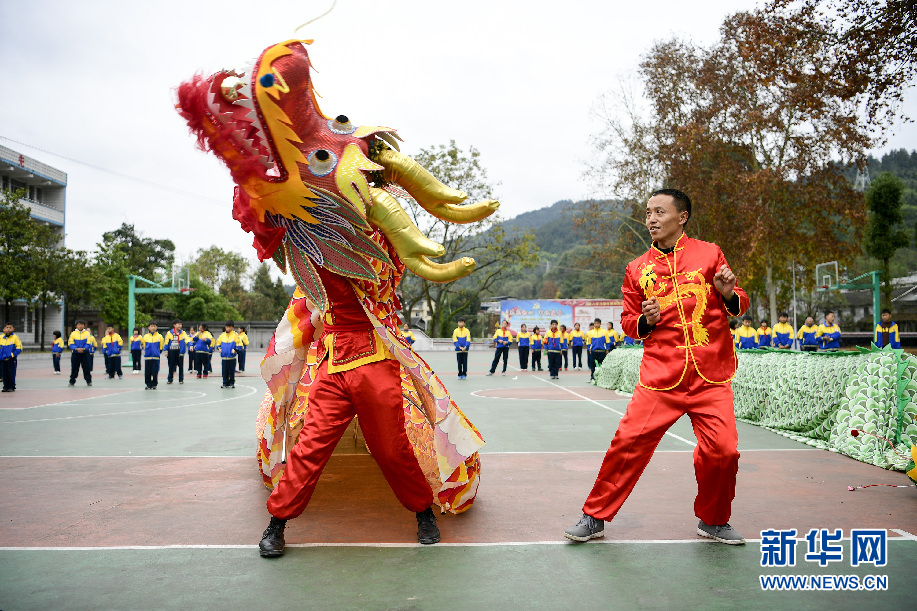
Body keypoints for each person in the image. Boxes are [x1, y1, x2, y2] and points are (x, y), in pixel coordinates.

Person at [565, 187, 748, 546]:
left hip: (710, 376)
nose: (651, 219)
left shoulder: (709, 254)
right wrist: (646, 321)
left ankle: (713, 520)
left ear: (682, 218)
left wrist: (728, 293)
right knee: (628, 442)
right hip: (660, 379)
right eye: (648, 213)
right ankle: (594, 516)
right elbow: (629, 323)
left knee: (723, 452)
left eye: (659, 212)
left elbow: (738, 303)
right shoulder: (637, 269)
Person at [215, 321, 240, 389]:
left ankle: (231, 383)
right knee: (224, 371)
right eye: (227, 327)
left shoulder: (235, 335)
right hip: (224, 358)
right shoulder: (222, 335)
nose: (227, 328)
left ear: (232, 327)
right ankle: (225, 383)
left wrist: (235, 350)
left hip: (232, 358)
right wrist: (219, 348)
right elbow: (218, 343)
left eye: (229, 327)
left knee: (231, 371)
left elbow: (239, 344)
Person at [68, 320, 92, 387]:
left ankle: (89, 381)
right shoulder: (73, 334)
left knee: (86, 368)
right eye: (79, 324)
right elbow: (70, 343)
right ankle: (72, 381)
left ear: (84, 325)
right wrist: (76, 349)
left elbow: (89, 343)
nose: (80, 326)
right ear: (76, 326)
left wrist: (84, 349)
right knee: (74, 368)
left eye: (82, 324)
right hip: (75, 353)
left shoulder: (87, 333)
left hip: (85, 354)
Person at [164, 320, 189, 385]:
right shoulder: (169, 333)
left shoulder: (183, 333)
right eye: (178, 324)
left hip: (179, 351)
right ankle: (170, 379)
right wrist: (166, 351)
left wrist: (190, 345)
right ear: (174, 325)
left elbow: (187, 340)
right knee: (171, 366)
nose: (180, 326)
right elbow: (166, 342)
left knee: (180, 366)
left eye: (181, 324)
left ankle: (181, 379)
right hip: (171, 351)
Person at [142, 322, 165, 390]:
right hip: (148, 357)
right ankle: (148, 384)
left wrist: (157, 353)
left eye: (154, 326)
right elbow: (144, 346)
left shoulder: (160, 336)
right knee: (147, 372)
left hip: (156, 358)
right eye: (151, 326)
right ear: (148, 327)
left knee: (155, 371)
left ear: (156, 327)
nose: (153, 328)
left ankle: (154, 384)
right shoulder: (145, 337)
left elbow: (161, 347)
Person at [0, 323, 22, 392]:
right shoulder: (1, 337)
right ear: (4, 329)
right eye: (7, 327)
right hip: (2, 358)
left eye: (10, 327)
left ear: (13, 329)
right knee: (4, 373)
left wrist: (13, 355)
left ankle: (11, 386)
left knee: (11, 372)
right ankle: (5, 386)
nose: (8, 329)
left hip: (11, 359)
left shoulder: (15, 337)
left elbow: (19, 347)